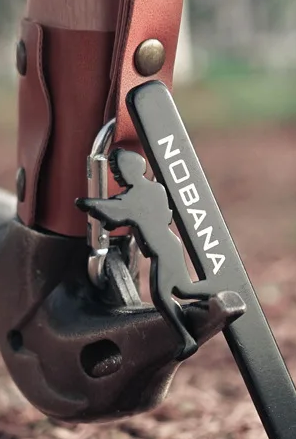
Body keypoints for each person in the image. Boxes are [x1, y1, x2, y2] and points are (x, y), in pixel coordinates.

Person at [77, 149, 214, 358]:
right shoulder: (152, 190)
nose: (115, 176)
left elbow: (119, 209)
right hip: (165, 246)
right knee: (178, 290)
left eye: (117, 171)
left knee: (172, 292)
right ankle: (189, 333)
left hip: (164, 247)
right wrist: (95, 205)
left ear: (129, 170)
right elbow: (119, 210)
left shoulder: (141, 194)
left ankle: (190, 333)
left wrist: (91, 204)